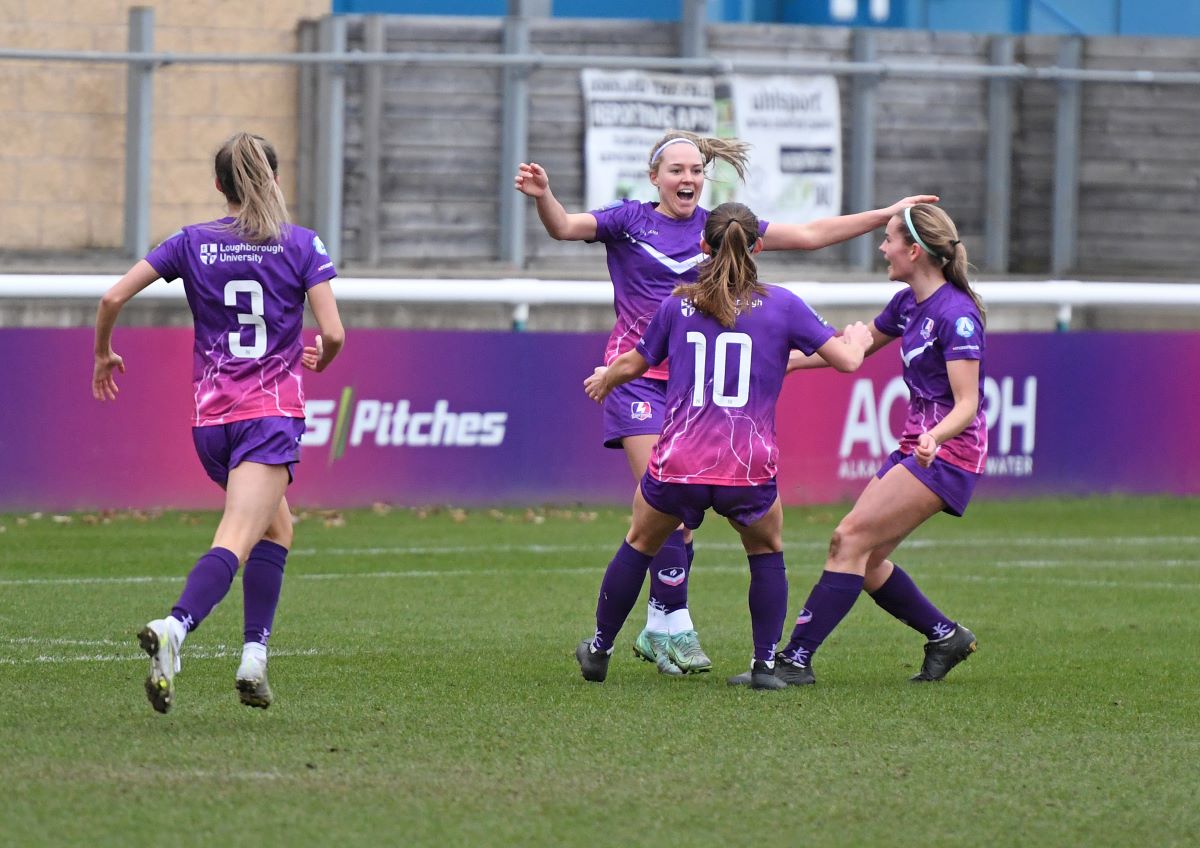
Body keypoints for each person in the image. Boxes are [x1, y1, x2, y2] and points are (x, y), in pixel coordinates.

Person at [516, 130, 937, 677]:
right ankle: (673, 625)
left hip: (691, 386)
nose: (687, 178)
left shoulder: (723, 228)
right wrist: (546, 196)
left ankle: (639, 633)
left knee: (661, 518)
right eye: (676, 170)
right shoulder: (630, 221)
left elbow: (810, 234)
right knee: (667, 520)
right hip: (642, 381)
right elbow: (566, 227)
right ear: (654, 177)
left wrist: (887, 211)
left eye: (695, 170)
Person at [92, 132, 345, 713]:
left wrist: (103, 353)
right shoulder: (301, 244)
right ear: (275, 181)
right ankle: (175, 627)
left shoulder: (190, 242)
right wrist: (321, 358)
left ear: (218, 186)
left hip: (210, 424)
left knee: (278, 529)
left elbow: (110, 300)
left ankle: (254, 659)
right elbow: (332, 334)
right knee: (236, 537)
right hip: (269, 416)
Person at [575, 202, 873, 688]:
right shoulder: (783, 304)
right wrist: (858, 338)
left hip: (681, 460)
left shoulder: (677, 302)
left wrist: (607, 377)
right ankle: (764, 665)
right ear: (757, 246)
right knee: (766, 551)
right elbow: (844, 361)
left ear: (702, 247)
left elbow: (637, 361)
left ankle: (601, 648)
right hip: (746, 464)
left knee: (640, 541)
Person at [761, 203, 984, 688]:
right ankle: (944, 636)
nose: (882, 248)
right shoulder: (908, 305)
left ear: (916, 250)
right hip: (918, 445)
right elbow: (851, 350)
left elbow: (967, 404)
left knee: (848, 540)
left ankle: (795, 660)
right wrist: (789, 361)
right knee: (867, 560)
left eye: (888, 240)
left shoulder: (957, 315)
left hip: (948, 453)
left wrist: (935, 435)